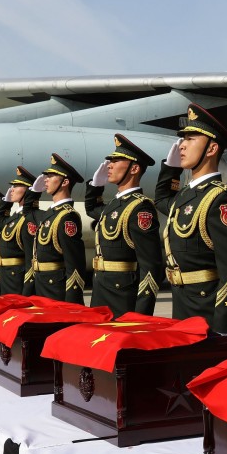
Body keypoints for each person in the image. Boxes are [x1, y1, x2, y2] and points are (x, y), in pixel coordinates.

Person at [156, 104, 227, 338]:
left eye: (190, 139)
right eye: (182, 139)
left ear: (211, 148)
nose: (182, 145)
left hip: (210, 314)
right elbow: (161, 200)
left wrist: (224, 327)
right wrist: (170, 169)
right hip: (184, 310)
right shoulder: (185, 197)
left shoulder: (220, 198)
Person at [86, 134, 165, 318]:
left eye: (117, 160)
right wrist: (96, 186)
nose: (110, 165)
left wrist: (141, 314)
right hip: (101, 292)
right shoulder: (114, 205)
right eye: (110, 161)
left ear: (134, 168)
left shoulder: (140, 208)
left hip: (123, 298)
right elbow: (92, 208)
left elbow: (151, 266)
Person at [30, 154, 86, 304]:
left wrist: (71, 303)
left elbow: (74, 264)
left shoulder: (67, 216)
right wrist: (33, 192)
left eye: (51, 176)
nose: (45, 179)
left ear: (65, 182)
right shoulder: (51, 213)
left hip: (56, 290)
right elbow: (28, 213)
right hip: (42, 285)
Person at [0, 167, 40, 296]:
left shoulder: (28, 219)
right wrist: (6, 202)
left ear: (28, 190)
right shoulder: (14, 217)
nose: (12, 189)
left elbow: (31, 259)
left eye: (17, 186)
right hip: (7, 278)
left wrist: (27, 289)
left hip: (18, 280)